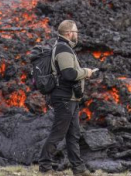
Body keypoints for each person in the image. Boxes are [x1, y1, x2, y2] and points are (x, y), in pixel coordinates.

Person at [38, 20, 98, 175]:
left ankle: (78, 169)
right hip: (64, 98)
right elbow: (69, 74)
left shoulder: (64, 48)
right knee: (58, 134)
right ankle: (45, 167)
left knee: (73, 135)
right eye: (75, 32)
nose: (77, 35)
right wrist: (87, 72)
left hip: (70, 99)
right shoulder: (63, 49)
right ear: (68, 33)